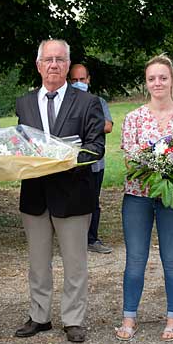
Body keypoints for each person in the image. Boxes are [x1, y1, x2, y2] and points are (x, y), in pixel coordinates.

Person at [14, 39, 105, 343]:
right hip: (35, 195)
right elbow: (19, 143)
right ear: (38, 65)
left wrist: (65, 158)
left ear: (68, 65)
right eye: (48, 59)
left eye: (60, 59)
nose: (54, 64)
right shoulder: (24, 102)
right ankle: (39, 316)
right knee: (38, 263)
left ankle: (73, 319)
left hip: (73, 193)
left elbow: (96, 147)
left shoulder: (87, 102)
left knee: (75, 263)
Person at [116, 54, 173, 342]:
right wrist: (163, 166)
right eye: (152, 78)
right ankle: (129, 317)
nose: (157, 83)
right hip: (138, 197)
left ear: (172, 80)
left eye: (163, 77)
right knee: (135, 259)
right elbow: (131, 161)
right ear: (146, 83)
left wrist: (170, 172)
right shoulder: (134, 118)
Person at [69, 63, 114, 254]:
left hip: (95, 163)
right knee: (72, 201)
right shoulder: (67, 103)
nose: (79, 83)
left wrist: (84, 124)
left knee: (93, 201)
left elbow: (108, 126)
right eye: (75, 80)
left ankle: (92, 239)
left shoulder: (99, 101)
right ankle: (73, 241)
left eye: (82, 79)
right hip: (72, 163)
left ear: (89, 80)